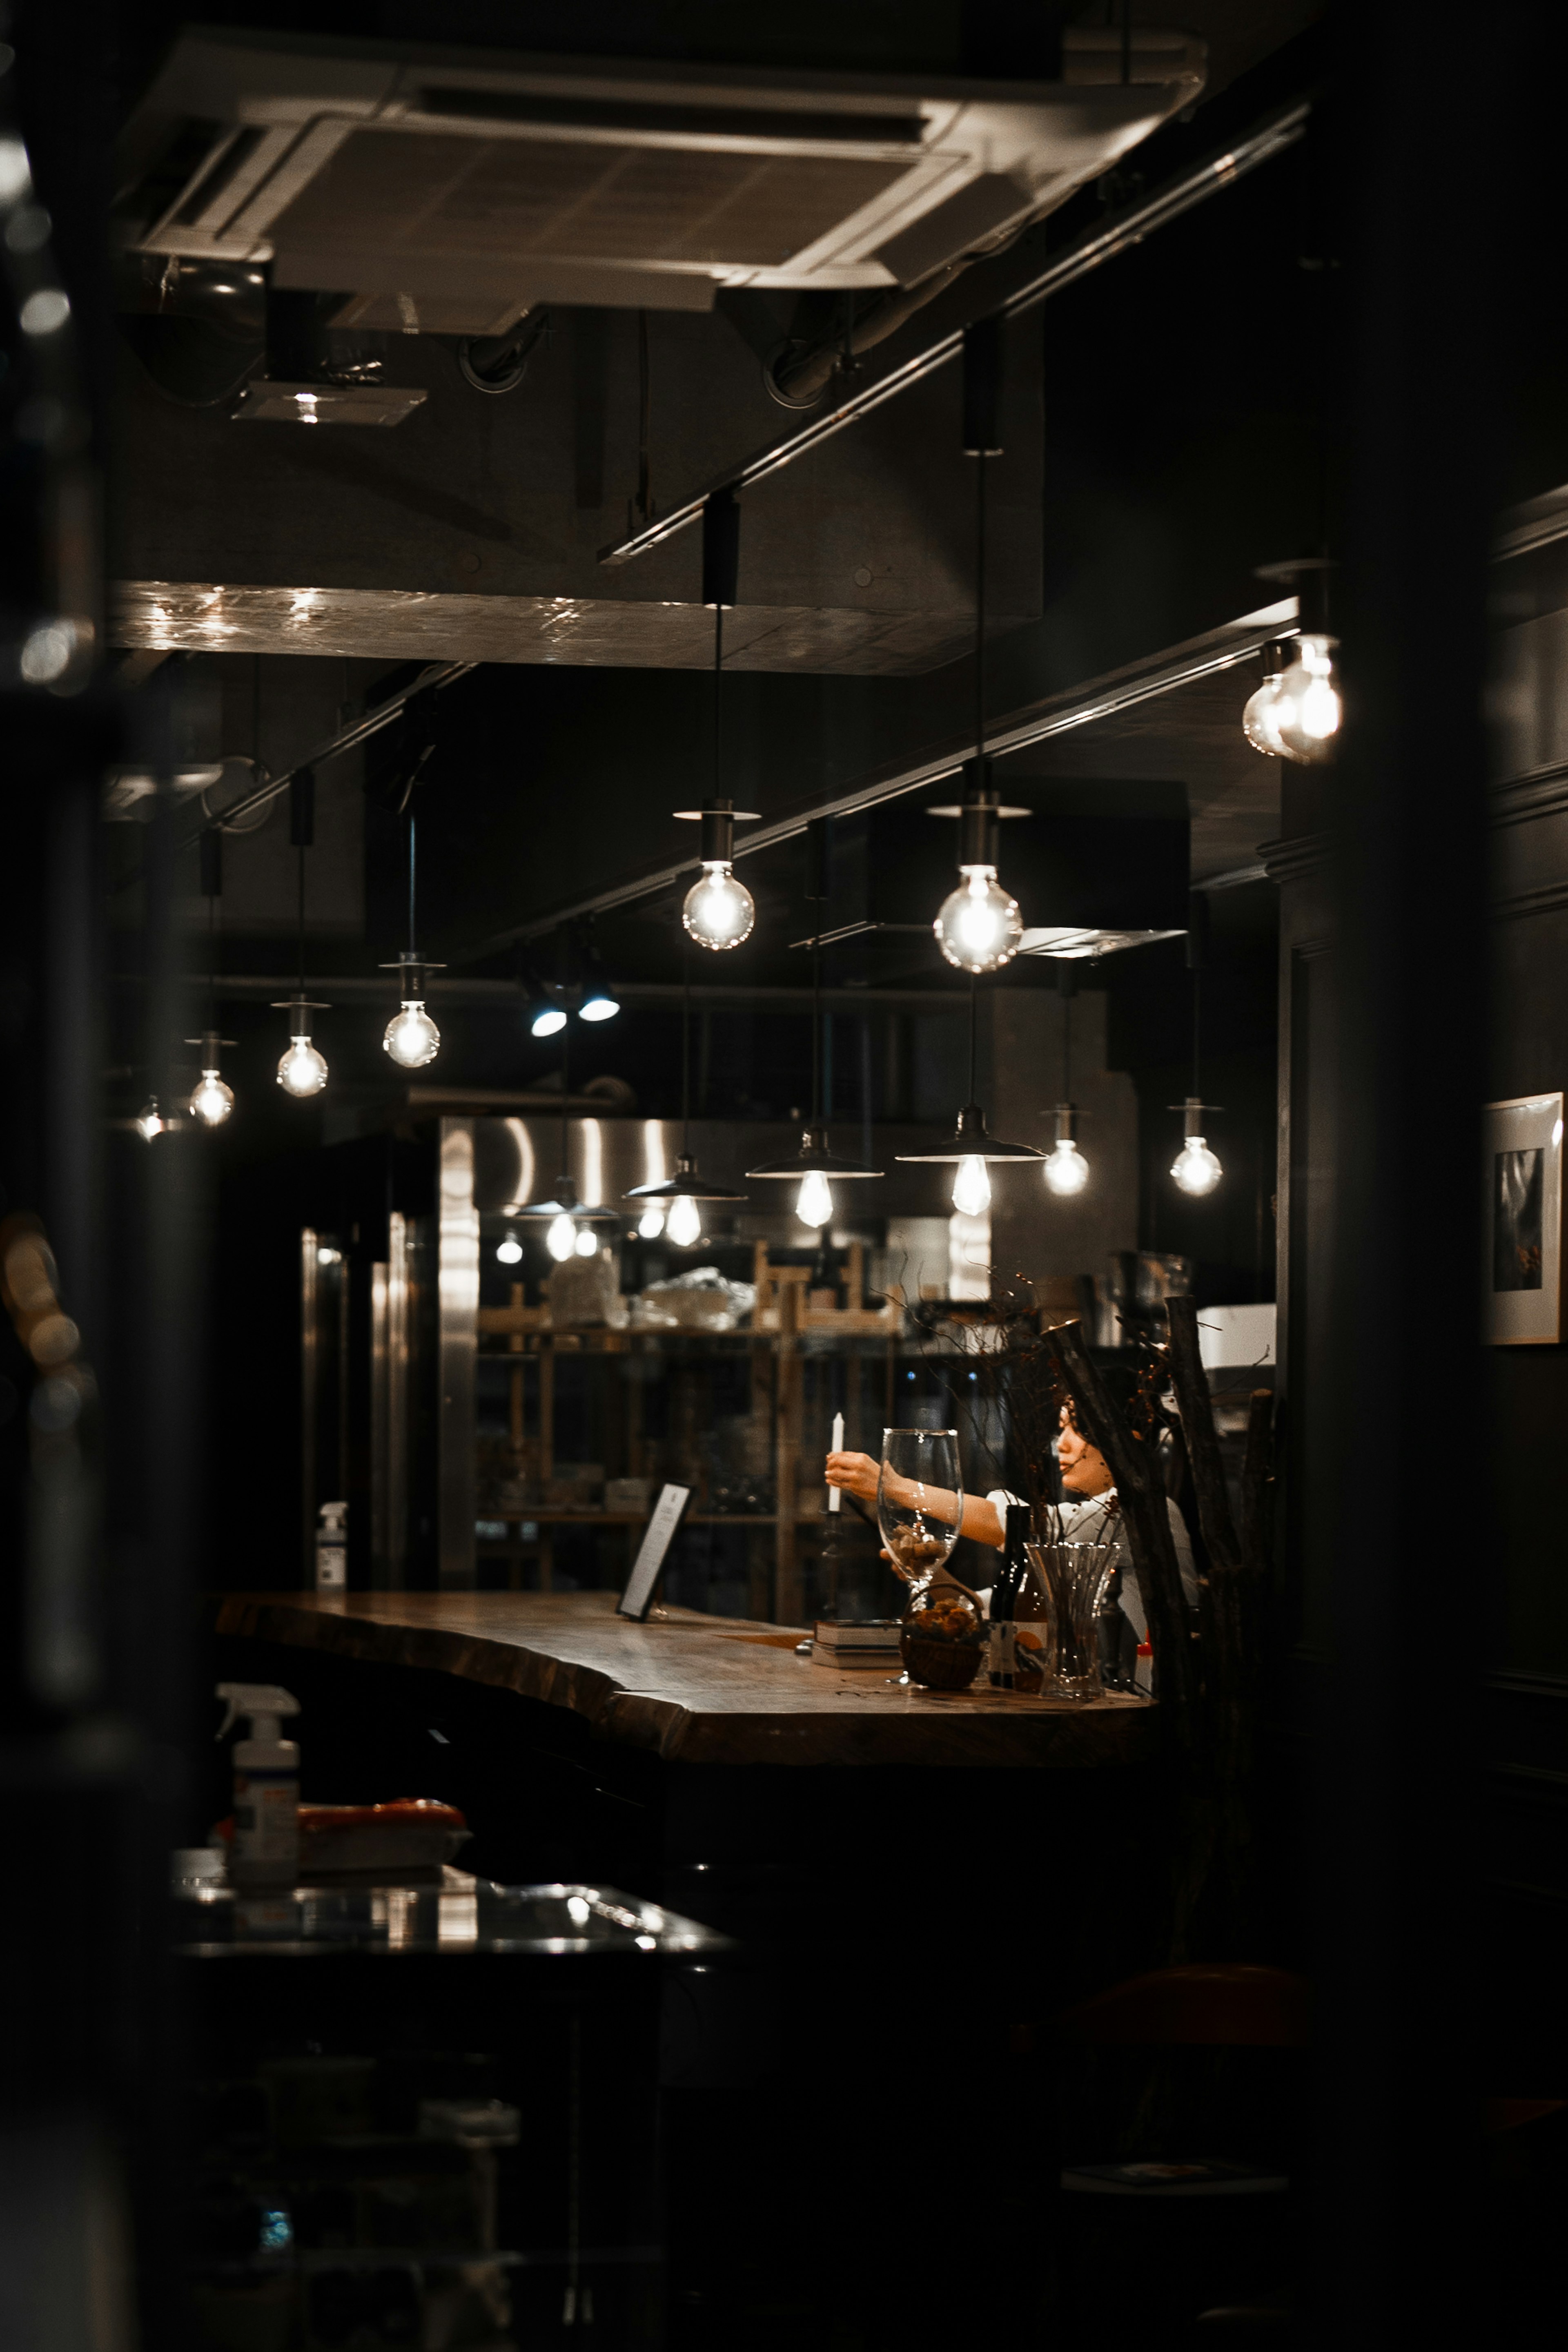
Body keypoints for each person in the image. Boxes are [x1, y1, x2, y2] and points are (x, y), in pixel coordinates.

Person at [824, 1402, 1197, 1694]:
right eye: (1061, 1428)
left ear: (1123, 1439)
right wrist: (930, 1569)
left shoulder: (1146, 1510)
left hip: (1145, 1706)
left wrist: (894, 1486)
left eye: (1076, 1429)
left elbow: (1023, 1528)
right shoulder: (1095, 1519)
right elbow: (989, 1612)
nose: (1061, 1444)